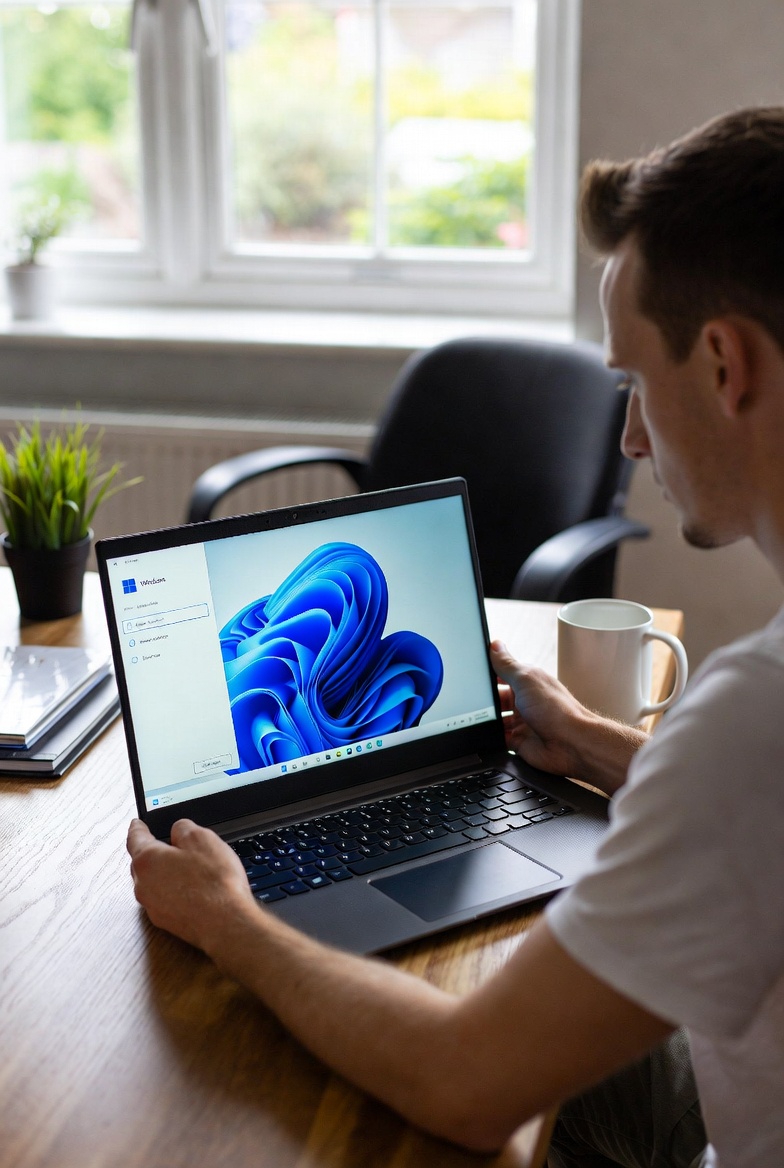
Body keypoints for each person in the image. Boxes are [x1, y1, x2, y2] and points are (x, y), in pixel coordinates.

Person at [126, 106, 784, 1168]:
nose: (626, 434)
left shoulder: (750, 712)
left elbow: (463, 1081)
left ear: (722, 364)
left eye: (630, 381)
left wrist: (229, 922)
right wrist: (600, 742)